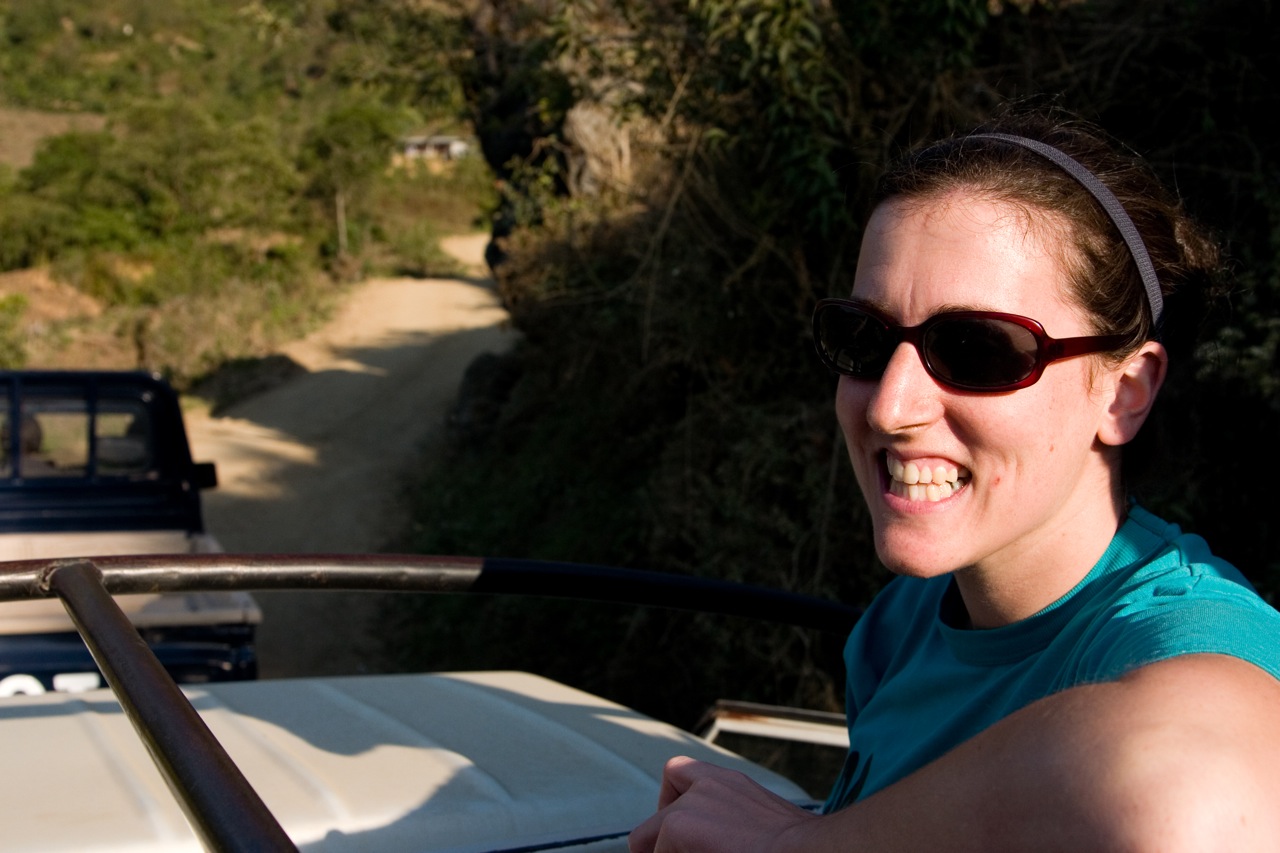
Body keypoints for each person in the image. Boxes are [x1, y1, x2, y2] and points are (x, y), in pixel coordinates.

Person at [628, 112, 1280, 851]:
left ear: (1125, 391)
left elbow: (1203, 785)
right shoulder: (899, 625)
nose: (889, 405)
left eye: (976, 348)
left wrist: (793, 844)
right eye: (864, 339)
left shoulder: (1181, 631)